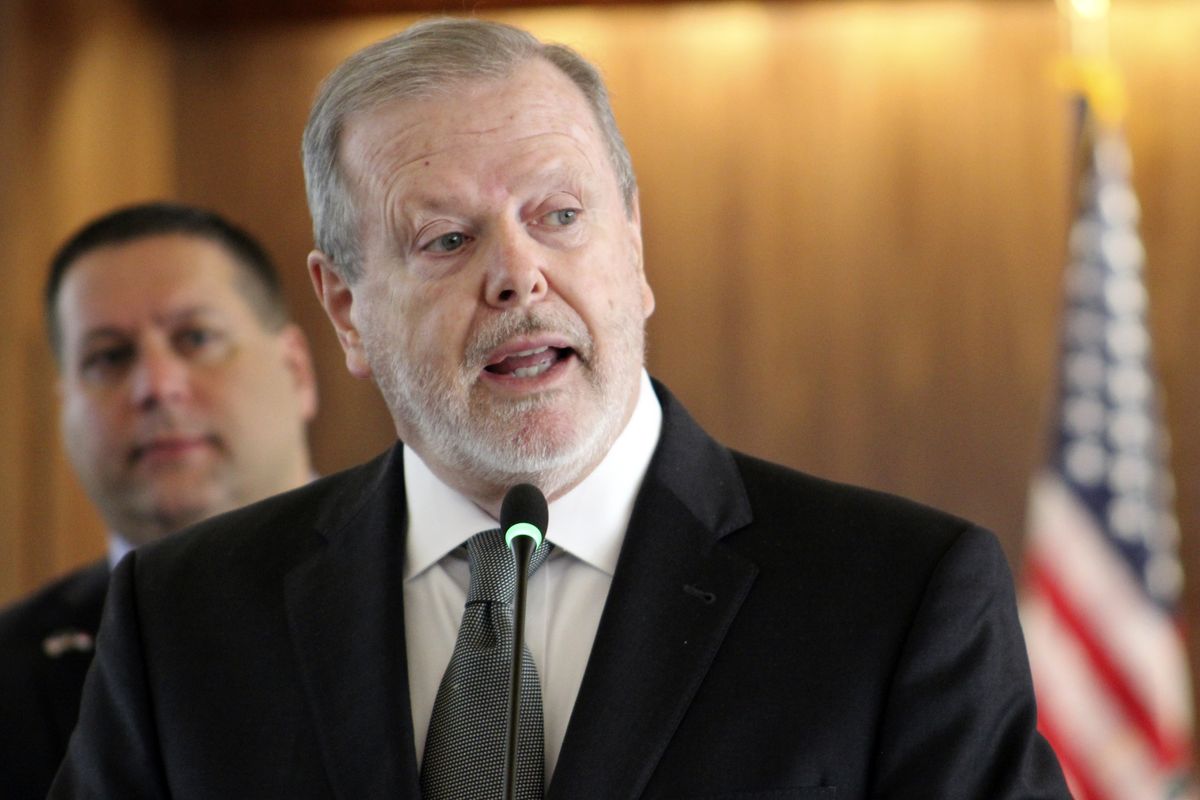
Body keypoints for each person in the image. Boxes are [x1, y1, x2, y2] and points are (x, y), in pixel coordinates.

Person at [52, 20, 1069, 799]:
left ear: (633, 245)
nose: (518, 275)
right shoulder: (180, 620)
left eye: (560, 215)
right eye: (446, 239)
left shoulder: (897, 599)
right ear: (346, 308)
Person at [0, 202, 318, 799]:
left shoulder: (446, 598)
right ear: (63, 407)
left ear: (297, 370)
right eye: (109, 356)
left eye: (196, 338)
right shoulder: (11, 675)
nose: (155, 386)